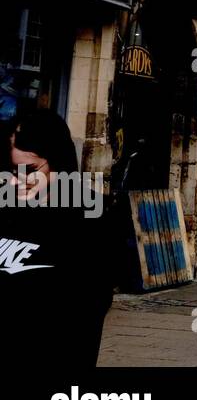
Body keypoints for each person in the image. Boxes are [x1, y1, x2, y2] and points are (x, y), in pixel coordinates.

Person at [1, 110, 113, 367]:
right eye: (12, 169)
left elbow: (88, 307)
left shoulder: (89, 215)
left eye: (29, 169)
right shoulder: (7, 207)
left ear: (58, 160)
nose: (20, 180)